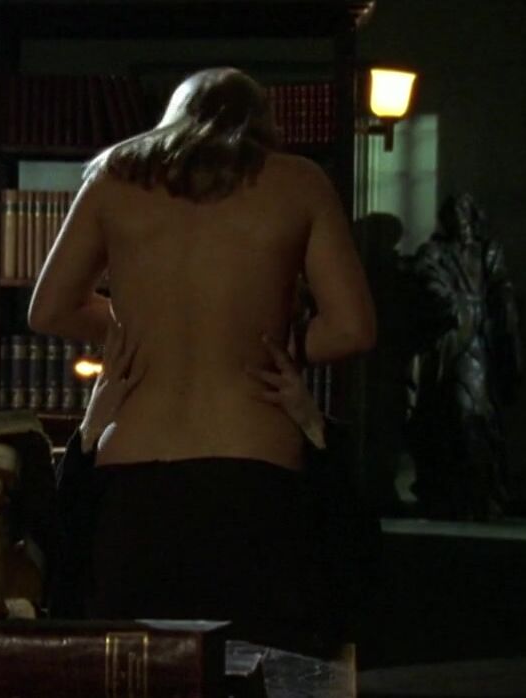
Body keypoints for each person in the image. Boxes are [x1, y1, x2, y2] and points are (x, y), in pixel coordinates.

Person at [29, 67, 375, 651]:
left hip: (133, 471)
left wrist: (143, 327)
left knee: (135, 668)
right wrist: (276, 344)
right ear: (262, 123)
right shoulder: (300, 182)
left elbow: (50, 309)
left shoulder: (113, 176)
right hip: (255, 469)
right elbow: (352, 328)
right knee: (259, 663)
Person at [405, 193, 521, 520]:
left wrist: (501, 309)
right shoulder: (435, 252)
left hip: (479, 338)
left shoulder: (487, 251)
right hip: (452, 338)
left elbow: (500, 284)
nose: (460, 219)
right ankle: (453, 490)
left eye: (465, 212)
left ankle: (481, 491)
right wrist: (448, 302)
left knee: (476, 410)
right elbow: (426, 277)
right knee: (453, 407)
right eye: (454, 213)